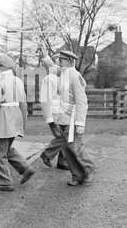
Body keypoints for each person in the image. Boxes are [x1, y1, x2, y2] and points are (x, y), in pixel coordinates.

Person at [38, 44, 95, 186]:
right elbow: (52, 66)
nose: (59, 62)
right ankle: (77, 175)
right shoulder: (63, 72)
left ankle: (89, 169)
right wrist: (44, 56)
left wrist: (80, 123)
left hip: (73, 118)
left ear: (69, 61)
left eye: (62, 60)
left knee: (75, 147)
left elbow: (82, 102)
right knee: (67, 149)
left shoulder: (75, 76)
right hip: (63, 118)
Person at [0, 54, 36, 192]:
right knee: (7, 149)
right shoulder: (18, 81)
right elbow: (24, 104)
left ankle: (5, 182)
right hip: (16, 118)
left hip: (3, 118)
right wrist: (23, 123)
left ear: (0, 67)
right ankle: (25, 168)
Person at [39, 52, 69, 170]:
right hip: (54, 113)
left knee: (65, 136)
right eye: (60, 61)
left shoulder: (61, 77)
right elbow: (45, 99)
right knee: (62, 137)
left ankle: (62, 161)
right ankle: (47, 154)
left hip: (62, 113)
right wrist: (49, 118)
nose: (62, 64)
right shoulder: (49, 79)